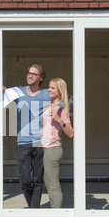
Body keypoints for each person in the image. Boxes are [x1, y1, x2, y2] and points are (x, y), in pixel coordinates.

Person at [10, 64, 51, 208]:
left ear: (41, 78)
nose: (30, 75)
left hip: (40, 142)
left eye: (34, 74)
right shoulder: (18, 92)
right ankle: (34, 208)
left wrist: (57, 112)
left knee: (37, 179)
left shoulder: (47, 94)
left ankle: (34, 211)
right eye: (29, 73)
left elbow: (67, 101)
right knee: (25, 179)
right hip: (23, 142)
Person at [40, 78, 74, 208]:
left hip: (53, 149)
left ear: (60, 91)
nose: (49, 89)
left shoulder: (61, 109)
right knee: (48, 181)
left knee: (53, 182)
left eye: (52, 88)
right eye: (49, 87)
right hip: (45, 148)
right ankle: (54, 210)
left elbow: (71, 133)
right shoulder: (52, 106)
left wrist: (59, 120)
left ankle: (56, 213)